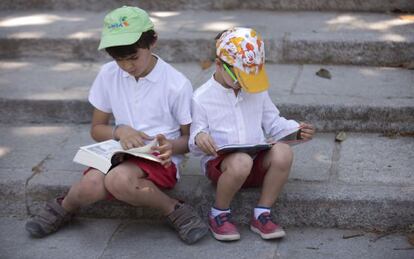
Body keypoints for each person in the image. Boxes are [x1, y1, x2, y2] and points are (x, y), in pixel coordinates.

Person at [25, 6, 208, 245]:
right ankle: (64, 207)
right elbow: (96, 129)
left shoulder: (176, 84)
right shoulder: (108, 74)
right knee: (90, 185)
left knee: (118, 181)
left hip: (159, 160)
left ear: (152, 41)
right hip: (117, 153)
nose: (127, 66)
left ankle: (175, 209)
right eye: (118, 59)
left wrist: (169, 147)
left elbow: (189, 140)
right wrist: (119, 130)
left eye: (133, 57)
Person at [189, 27, 315, 241]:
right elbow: (194, 138)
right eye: (240, 78)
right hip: (223, 168)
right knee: (240, 162)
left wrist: (296, 131)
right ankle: (219, 214)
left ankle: (262, 214)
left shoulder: (257, 90)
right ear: (220, 65)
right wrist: (200, 137)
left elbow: (273, 122)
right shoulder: (201, 97)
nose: (245, 84)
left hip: (256, 162)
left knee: (283, 152)